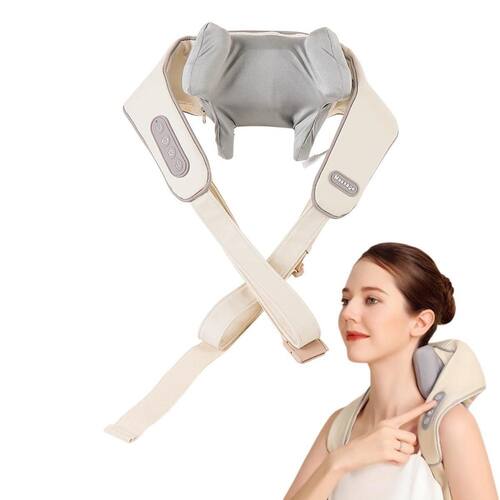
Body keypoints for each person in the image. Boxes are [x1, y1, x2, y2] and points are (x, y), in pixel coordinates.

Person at [284, 242, 498, 500]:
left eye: (372, 300)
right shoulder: (339, 428)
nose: (349, 313)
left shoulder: (449, 427)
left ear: (421, 322)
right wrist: (340, 461)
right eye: (346, 300)